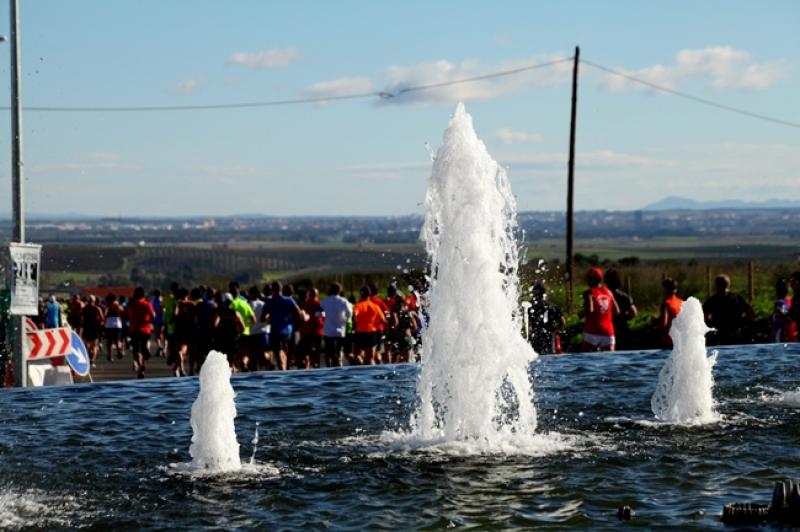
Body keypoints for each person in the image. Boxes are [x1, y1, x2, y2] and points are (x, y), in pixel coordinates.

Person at [703, 274, 754, 345]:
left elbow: (705, 317)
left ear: (716, 286)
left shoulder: (712, 300)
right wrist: (742, 324)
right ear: (729, 284)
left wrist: (712, 325)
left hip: (719, 335)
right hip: (736, 334)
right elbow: (750, 313)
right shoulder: (737, 298)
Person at [261, 281, 301, 371]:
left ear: (272, 290)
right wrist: (291, 320)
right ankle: (285, 370)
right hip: (288, 330)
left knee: (278, 351)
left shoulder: (270, 302)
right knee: (284, 351)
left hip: (276, 330)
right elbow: (298, 312)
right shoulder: (289, 300)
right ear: (281, 289)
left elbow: (262, 318)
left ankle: (282, 371)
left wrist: (269, 318)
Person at [580, 267, 620, 352]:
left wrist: (581, 314)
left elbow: (590, 310)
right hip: (608, 332)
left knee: (585, 360)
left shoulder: (589, 292)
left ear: (590, 279)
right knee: (610, 361)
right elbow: (617, 311)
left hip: (592, 331)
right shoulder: (609, 292)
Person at [320, 282, 353, 368]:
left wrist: (324, 317)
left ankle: (335, 367)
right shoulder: (343, 301)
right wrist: (344, 320)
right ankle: (338, 367)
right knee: (338, 352)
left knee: (331, 353)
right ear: (340, 291)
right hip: (340, 331)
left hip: (328, 331)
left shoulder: (324, 301)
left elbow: (317, 313)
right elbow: (350, 313)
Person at [352, 286, 387, 365]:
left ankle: (362, 367)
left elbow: (354, 315)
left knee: (357, 355)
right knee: (370, 358)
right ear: (370, 295)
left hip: (360, 333)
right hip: (372, 333)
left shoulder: (358, 306)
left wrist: (355, 324)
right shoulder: (375, 306)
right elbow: (383, 320)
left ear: (361, 294)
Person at [603, 270, 637, 350]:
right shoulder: (625, 297)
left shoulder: (603, 296)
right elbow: (634, 313)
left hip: (607, 328)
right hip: (622, 328)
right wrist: (624, 317)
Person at [126, 287, 156, 379]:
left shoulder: (130, 304)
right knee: (144, 346)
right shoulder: (147, 304)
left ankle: (140, 367)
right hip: (145, 329)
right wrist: (149, 321)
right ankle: (146, 351)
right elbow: (153, 315)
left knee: (136, 350)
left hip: (134, 330)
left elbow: (126, 315)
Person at [527, 284, 565, 355]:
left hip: (536, 339)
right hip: (550, 337)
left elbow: (529, 327)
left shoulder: (531, 308)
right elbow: (563, 321)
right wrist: (555, 330)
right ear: (544, 293)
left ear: (535, 294)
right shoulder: (552, 306)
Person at [215, 292, 246, 367]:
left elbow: (215, 325)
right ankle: (232, 368)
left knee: (223, 358)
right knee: (232, 358)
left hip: (223, 337)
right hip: (233, 337)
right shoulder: (236, 313)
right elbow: (242, 327)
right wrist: (239, 333)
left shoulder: (220, 313)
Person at [171, 288, 196, 376]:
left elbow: (174, 316)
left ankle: (181, 368)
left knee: (180, 350)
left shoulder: (177, 304)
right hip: (190, 329)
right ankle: (191, 369)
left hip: (179, 329)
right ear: (187, 295)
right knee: (191, 350)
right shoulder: (192, 304)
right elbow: (196, 317)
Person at [299, 288, 324, 369]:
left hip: (308, 331)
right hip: (317, 331)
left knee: (306, 352)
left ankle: (307, 366)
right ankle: (316, 366)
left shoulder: (304, 304)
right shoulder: (320, 304)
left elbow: (301, 318)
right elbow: (323, 318)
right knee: (316, 352)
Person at [657, 278, 684, 348]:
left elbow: (664, 324)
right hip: (682, 339)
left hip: (670, 341)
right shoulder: (681, 302)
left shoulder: (666, 304)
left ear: (665, 290)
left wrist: (656, 321)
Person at [81, 295, 105, 367]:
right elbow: (102, 318)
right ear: (94, 301)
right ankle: (92, 360)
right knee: (94, 345)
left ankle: (88, 357)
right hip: (94, 328)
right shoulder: (96, 308)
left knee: (86, 344)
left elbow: (82, 317)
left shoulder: (85, 308)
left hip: (87, 327)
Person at [773, 278, 798, 343]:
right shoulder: (790, 300)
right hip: (792, 330)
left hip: (782, 331)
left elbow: (785, 315)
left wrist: (780, 311)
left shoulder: (780, 302)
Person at [103, 293, 125, 361]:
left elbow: (104, 314)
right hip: (117, 324)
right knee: (117, 340)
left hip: (109, 325)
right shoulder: (118, 305)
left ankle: (110, 355)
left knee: (109, 342)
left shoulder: (108, 306)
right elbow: (122, 313)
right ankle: (118, 351)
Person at [150, 289, 165, 357]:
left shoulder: (153, 301)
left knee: (157, 335)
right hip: (163, 319)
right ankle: (163, 348)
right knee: (162, 335)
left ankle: (160, 346)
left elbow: (151, 310)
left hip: (156, 319)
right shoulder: (162, 300)